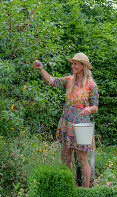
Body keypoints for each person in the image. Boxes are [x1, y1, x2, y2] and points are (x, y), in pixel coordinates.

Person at [33, 52, 99, 188]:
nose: (72, 65)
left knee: (82, 159)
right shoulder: (69, 80)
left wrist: (89, 109)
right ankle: (71, 187)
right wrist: (41, 69)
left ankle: (86, 191)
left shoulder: (91, 85)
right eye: (72, 63)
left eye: (75, 63)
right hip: (66, 123)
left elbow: (95, 107)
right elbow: (51, 80)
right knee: (65, 157)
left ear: (83, 66)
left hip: (81, 125)